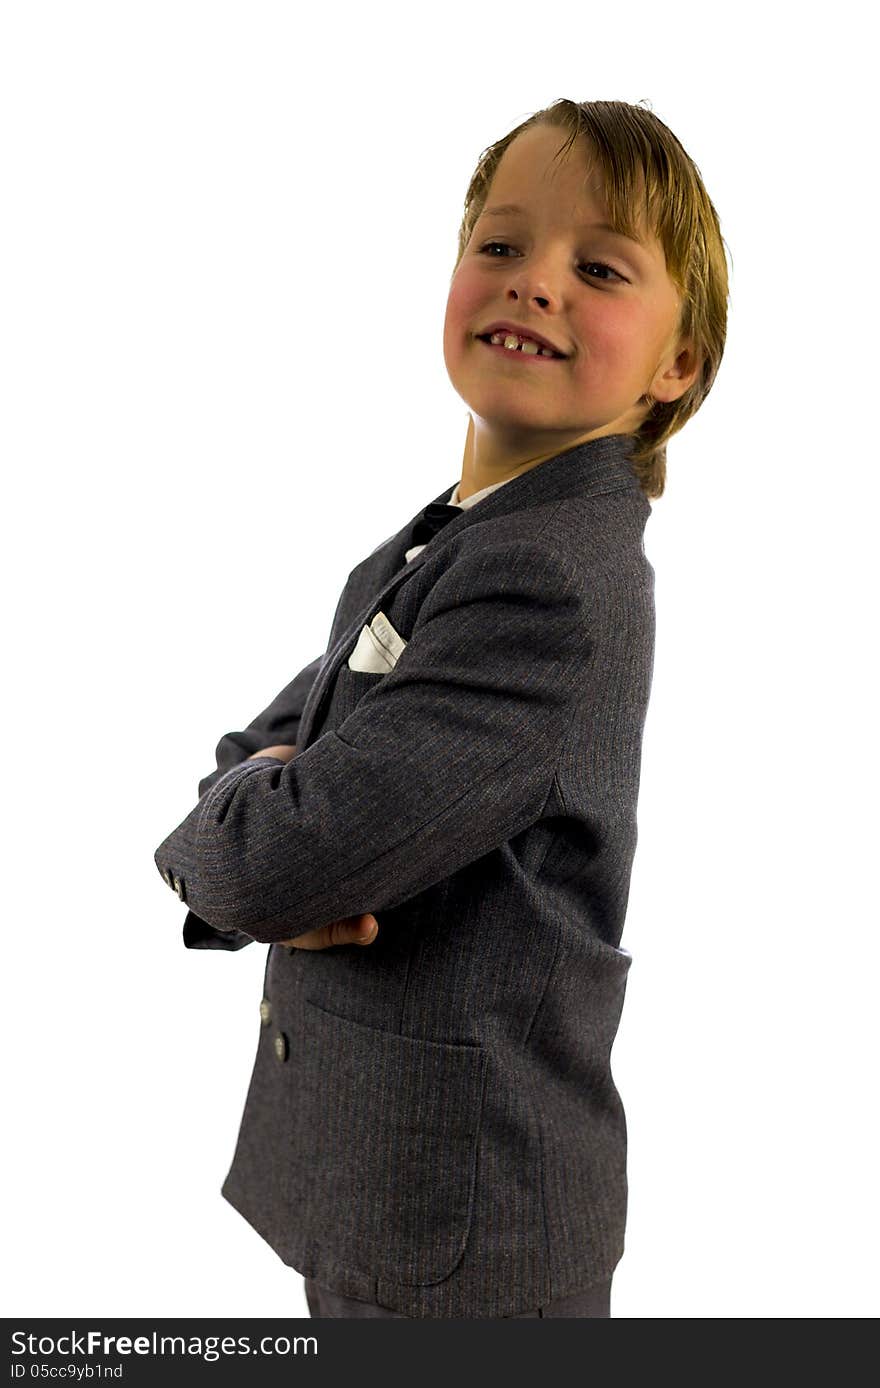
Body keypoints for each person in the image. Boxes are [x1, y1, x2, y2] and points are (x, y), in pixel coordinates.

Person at [154, 97, 729, 1319]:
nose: (535, 285)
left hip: (468, 1236)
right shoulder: (438, 546)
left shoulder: (550, 583)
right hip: (388, 1192)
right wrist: (265, 805)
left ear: (677, 364)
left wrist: (257, 829)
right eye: (502, 245)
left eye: (601, 266)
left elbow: (271, 853)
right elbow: (263, 768)